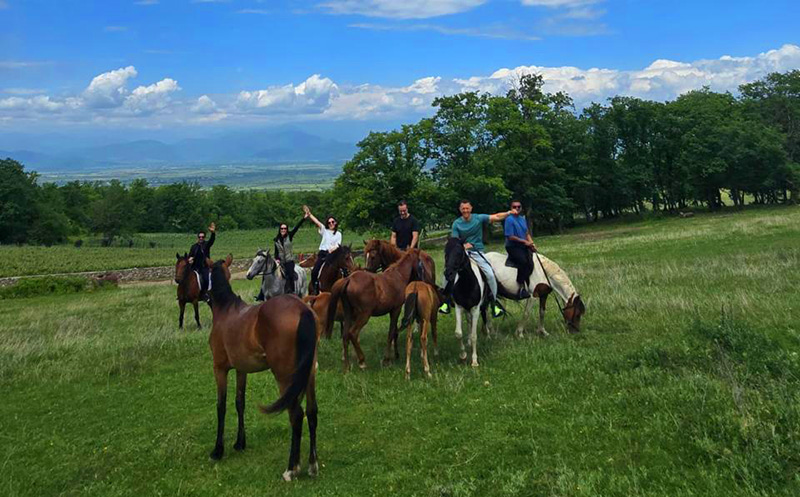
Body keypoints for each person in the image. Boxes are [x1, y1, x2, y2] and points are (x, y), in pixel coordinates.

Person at [440, 200, 512, 318]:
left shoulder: (478, 218)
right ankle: (446, 301)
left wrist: (509, 213)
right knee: (447, 273)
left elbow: (497, 216)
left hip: (477, 252)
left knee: (490, 274)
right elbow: (454, 242)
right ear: (460, 209)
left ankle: (494, 303)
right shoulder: (456, 224)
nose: (465, 211)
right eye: (463, 208)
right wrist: (463, 246)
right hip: (462, 253)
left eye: (467, 208)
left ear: (471, 208)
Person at [304, 205, 342, 294]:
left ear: (336, 223)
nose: (331, 224)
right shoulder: (325, 230)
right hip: (323, 254)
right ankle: (315, 288)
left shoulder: (339, 234)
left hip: (333, 255)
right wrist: (309, 214)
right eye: (329, 223)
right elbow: (317, 222)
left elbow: (338, 245)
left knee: (344, 269)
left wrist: (332, 250)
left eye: (333, 222)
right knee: (315, 271)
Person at [504, 200, 537, 299]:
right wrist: (524, 242)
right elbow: (510, 236)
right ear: (511, 208)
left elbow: (526, 233)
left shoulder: (522, 219)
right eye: (514, 207)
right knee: (523, 261)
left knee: (531, 261)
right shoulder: (509, 219)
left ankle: (531, 284)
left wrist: (531, 243)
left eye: (519, 207)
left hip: (523, 244)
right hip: (513, 246)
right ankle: (520, 286)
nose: (517, 208)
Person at [273, 212, 308, 295]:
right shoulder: (276, 240)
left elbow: (297, 227)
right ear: (279, 229)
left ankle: (291, 290)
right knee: (269, 273)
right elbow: (276, 252)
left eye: (285, 228)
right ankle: (263, 293)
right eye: (282, 228)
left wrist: (304, 218)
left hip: (289, 261)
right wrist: (277, 259)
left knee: (290, 274)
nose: (283, 230)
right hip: (280, 262)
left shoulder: (290, 236)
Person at [188, 222, 216, 300]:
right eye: (199, 237)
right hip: (195, 267)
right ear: (197, 237)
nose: (201, 238)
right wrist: (189, 259)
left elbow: (212, 240)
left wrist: (213, 233)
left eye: (202, 237)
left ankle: (205, 294)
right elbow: (190, 255)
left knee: (206, 279)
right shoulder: (193, 247)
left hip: (204, 267)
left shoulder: (206, 245)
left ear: (204, 238)